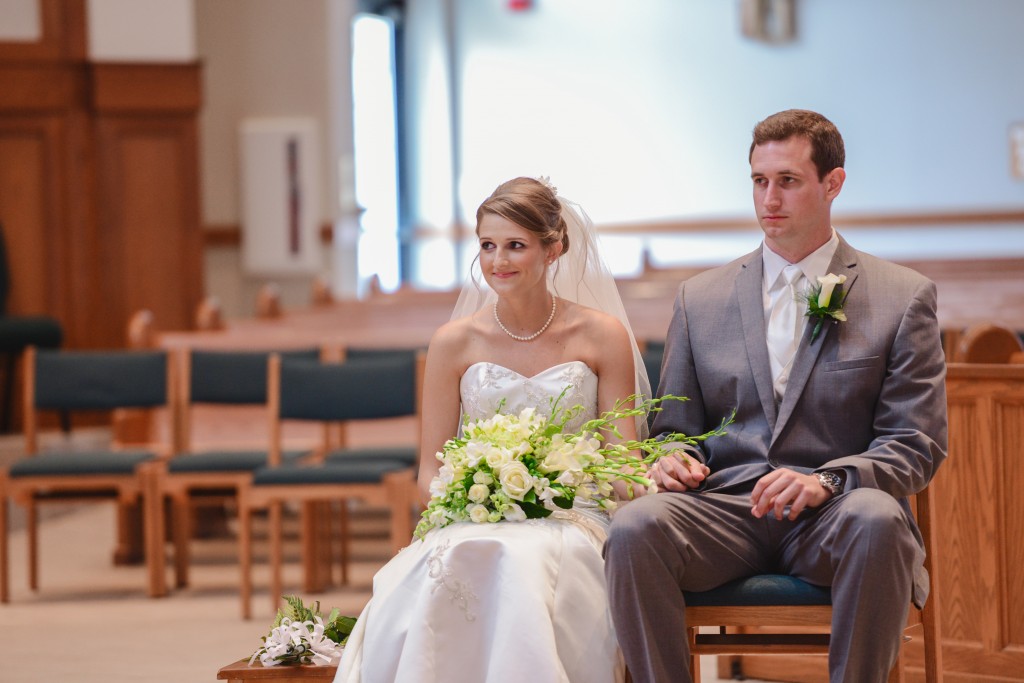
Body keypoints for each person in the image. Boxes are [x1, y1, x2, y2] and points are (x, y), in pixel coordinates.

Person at [604, 109, 948, 682]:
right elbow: (674, 430)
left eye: (787, 181)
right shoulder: (700, 298)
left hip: (836, 513)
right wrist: (672, 459)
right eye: (759, 182)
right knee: (635, 527)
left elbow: (915, 442)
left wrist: (827, 480)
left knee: (879, 521)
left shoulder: (902, 297)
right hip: (723, 511)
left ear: (832, 184)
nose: (770, 199)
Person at [335, 176, 650, 683]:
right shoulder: (453, 342)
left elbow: (624, 457)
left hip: (574, 515)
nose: (498, 261)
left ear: (554, 249)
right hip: (475, 514)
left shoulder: (601, 334)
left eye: (515, 246)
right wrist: (467, 502)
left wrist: (640, 486)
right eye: (487, 246)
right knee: (463, 554)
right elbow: (430, 468)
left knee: (525, 560)